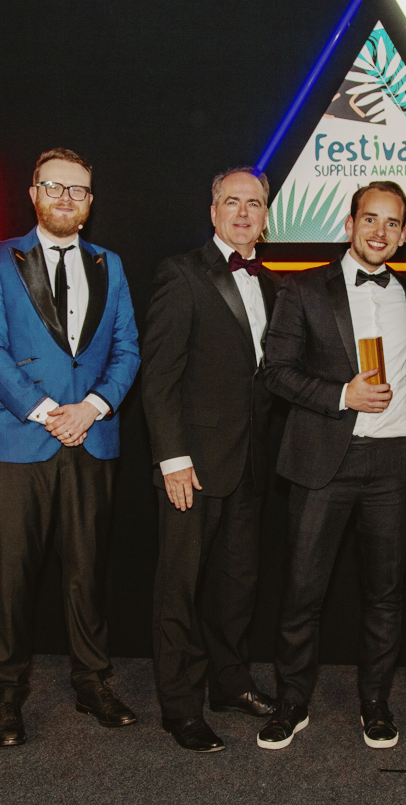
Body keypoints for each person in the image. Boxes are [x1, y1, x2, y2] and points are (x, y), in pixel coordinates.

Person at [0, 147, 141, 747]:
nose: (66, 198)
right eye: (55, 187)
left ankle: (92, 683)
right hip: (20, 441)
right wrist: (47, 412)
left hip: (92, 438)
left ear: (90, 202)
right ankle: (6, 694)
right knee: (12, 578)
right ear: (34, 193)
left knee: (86, 574)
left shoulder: (111, 264)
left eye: (78, 190)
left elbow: (128, 350)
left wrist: (91, 408)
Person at [257, 181, 406, 750]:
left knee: (385, 593)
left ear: (403, 233)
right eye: (370, 219)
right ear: (350, 224)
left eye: (392, 223)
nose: (380, 231)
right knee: (302, 590)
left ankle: (375, 703)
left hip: (397, 461)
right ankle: (291, 702)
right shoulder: (304, 287)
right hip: (323, 459)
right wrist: (340, 395)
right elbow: (275, 371)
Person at [142, 168, 280, 753]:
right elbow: (158, 377)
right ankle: (179, 707)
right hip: (192, 467)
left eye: (254, 203)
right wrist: (172, 458)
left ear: (266, 216)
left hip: (250, 465)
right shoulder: (181, 273)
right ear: (213, 211)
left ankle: (229, 684)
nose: (244, 212)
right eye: (232, 201)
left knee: (237, 586)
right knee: (179, 589)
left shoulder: (272, 284)